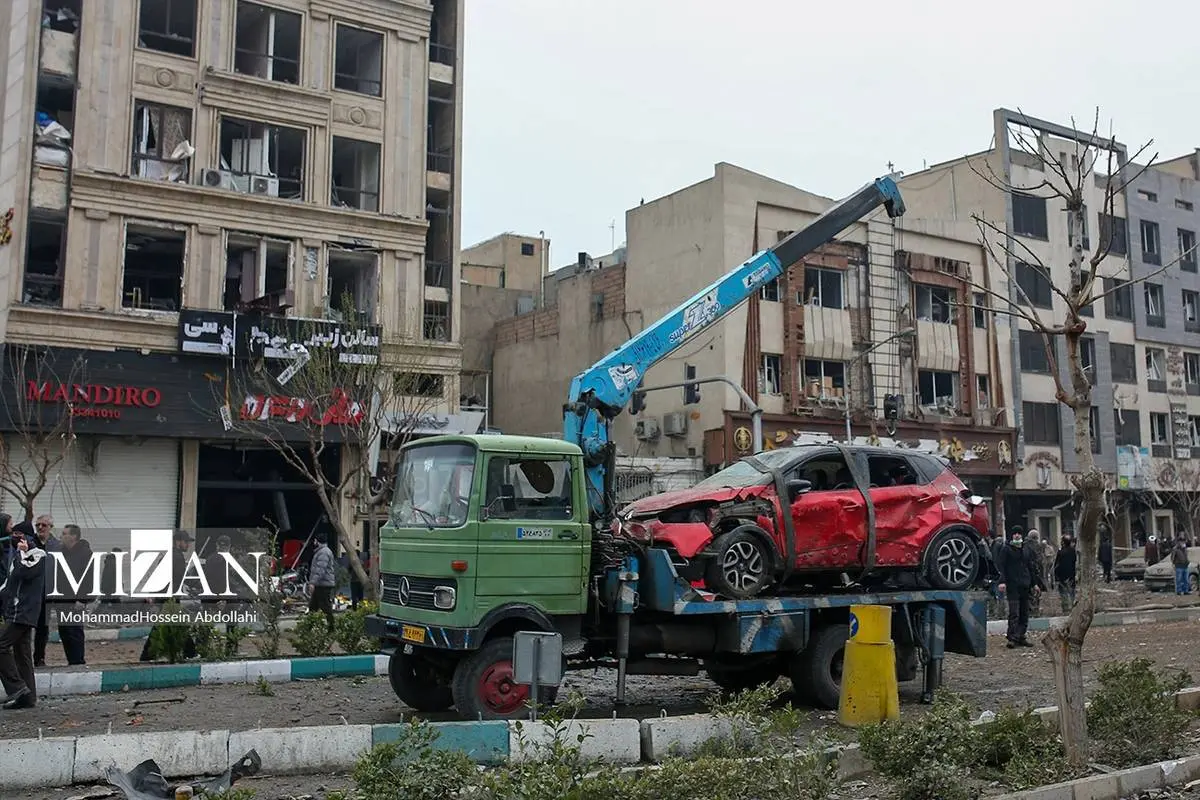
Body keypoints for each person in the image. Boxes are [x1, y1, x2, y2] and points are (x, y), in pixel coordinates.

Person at [0, 517, 46, 709]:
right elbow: (8, 586)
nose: (13, 538)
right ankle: (28, 697)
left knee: (1, 646)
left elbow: (23, 572)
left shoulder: (37, 555)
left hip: (23, 612)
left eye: (17, 535)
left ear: (27, 538)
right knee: (22, 654)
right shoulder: (18, 557)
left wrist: (21, 552)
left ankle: (18, 688)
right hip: (15, 611)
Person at [996, 528, 1046, 649]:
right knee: (1014, 612)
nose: (1017, 535)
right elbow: (1001, 566)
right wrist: (1002, 581)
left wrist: (1034, 584)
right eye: (1015, 533)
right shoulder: (1006, 549)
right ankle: (1012, 637)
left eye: (1019, 533)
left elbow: (1030, 567)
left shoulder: (1026, 549)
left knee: (1024, 612)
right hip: (1012, 585)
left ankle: (1020, 635)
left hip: (1025, 584)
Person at [54, 524, 90, 665]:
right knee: (64, 632)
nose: (61, 536)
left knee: (74, 631)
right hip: (61, 599)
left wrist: (82, 599)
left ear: (73, 536)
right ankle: (71, 660)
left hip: (75, 601)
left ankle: (78, 661)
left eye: (64, 534)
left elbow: (89, 579)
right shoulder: (62, 552)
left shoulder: (85, 553)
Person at [306, 532, 336, 628]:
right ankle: (309, 627)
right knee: (313, 606)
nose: (314, 542)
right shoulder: (322, 551)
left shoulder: (323, 552)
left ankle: (331, 627)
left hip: (323, 584)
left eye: (315, 541)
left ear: (318, 541)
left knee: (325, 606)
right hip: (321, 584)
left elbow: (320, 569)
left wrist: (313, 583)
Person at [1053, 535, 1078, 612]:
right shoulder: (1073, 551)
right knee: (1071, 591)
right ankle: (1072, 605)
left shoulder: (1061, 552)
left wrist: (1056, 576)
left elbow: (1057, 564)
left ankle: (1066, 607)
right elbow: (1074, 562)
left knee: (1063, 592)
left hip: (1062, 575)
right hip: (1071, 575)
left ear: (1063, 542)